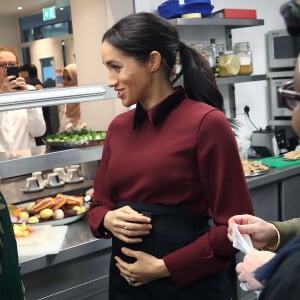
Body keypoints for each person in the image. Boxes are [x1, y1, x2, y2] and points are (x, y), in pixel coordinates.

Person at [88, 12, 254, 299]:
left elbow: (237, 226)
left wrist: (164, 266)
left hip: (189, 285)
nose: (111, 80)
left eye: (116, 67)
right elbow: (99, 204)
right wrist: (107, 219)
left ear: (152, 62)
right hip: (126, 285)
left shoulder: (206, 123)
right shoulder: (118, 128)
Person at [0, 45, 46, 152]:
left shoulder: (29, 91)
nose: (6, 69)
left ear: (17, 66)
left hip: (26, 161)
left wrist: (27, 99)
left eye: (12, 65)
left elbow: (38, 131)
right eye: (2, 65)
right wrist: (3, 95)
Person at [58, 64, 82, 131]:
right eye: (63, 78)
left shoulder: (84, 106)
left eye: (69, 78)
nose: (64, 82)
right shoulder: (67, 105)